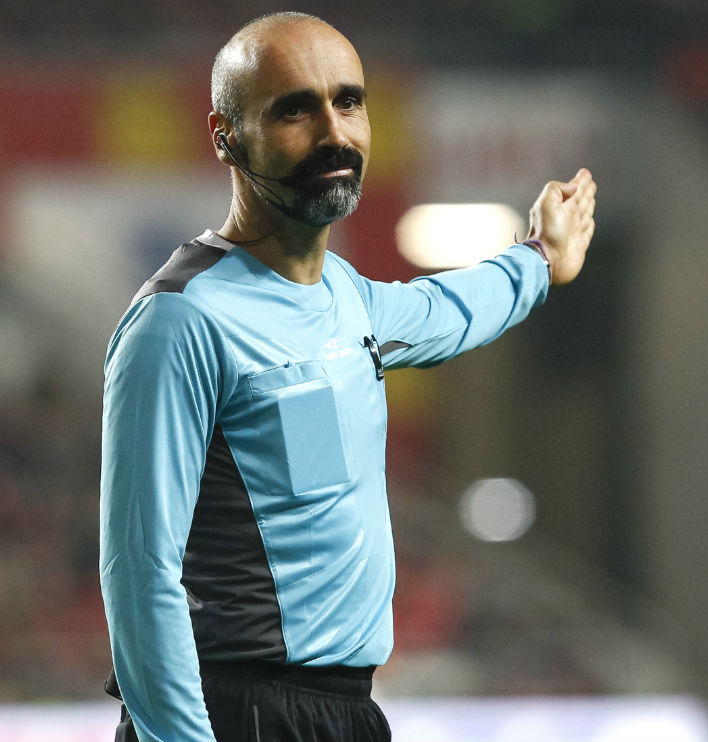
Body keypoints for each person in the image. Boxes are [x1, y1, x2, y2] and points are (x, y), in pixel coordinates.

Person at [99, 11, 596, 742]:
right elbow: (139, 574)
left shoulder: (347, 299)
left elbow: (446, 309)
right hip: (235, 713)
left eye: (349, 101)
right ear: (225, 136)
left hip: (346, 716)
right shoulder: (179, 323)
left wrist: (538, 261)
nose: (333, 132)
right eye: (294, 108)